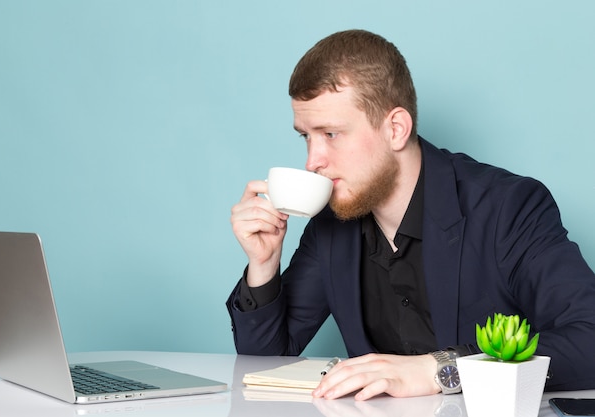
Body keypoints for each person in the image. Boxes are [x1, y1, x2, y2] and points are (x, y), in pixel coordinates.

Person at [226, 29, 595, 400]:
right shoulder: (331, 222)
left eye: (331, 134)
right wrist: (264, 264)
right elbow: (266, 361)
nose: (312, 161)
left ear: (396, 129)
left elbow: (589, 337)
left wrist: (442, 368)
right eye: (305, 136)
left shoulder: (508, 206)